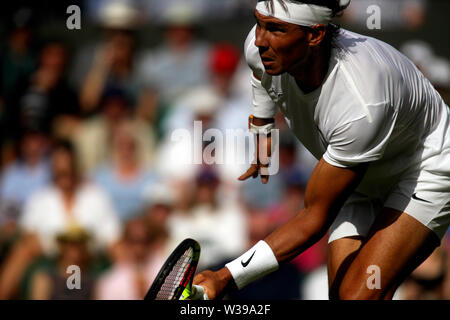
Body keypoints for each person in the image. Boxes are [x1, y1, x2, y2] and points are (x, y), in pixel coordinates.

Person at [193, 0, 450, 300]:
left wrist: (225, 277)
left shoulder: (360, 101)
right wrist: (262, 129)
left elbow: (314, 218)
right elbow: (259, 75)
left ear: (314, 35)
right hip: (360, 175)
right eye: (259, 23)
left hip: (424, 169)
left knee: (358, 296)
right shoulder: (260, 46)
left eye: (276, 29)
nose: (260, 39)